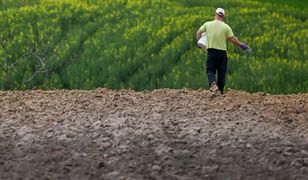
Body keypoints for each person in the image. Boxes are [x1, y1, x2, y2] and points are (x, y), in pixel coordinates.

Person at [196, 7, 250, 94]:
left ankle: (213, 84)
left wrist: (199, 42)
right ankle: (220, 91)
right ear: (223, 16)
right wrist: (241, 45)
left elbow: (199, 32)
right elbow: (232, 39)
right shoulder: (226, 27)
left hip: (211, 52)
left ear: (215, 14)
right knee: (222, 73)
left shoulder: (207, 24)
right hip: (222, 53)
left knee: (210, 70)